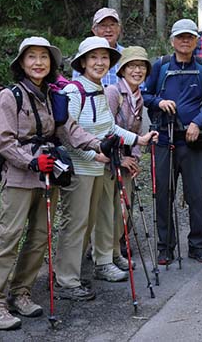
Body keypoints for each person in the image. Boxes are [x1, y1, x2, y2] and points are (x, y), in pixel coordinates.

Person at [0, 37, 105, 331]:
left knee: (39, 237)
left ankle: (20, 293)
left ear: (51, 63)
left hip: (48, 176)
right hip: (20, 178)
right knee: (9, 237)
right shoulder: (10, 97)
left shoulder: (52, 96)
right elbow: (5, 142)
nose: (38, 62)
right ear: (21, 63)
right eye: (32, 57)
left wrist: (99, 144)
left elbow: (69, 130)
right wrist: (31, 162)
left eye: (44, 57)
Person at [55, 37, 156, 300]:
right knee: (75, 224)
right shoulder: (74, 91)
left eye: (104, 58)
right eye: (93, 57)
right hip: (80, 168)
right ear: (83, 62)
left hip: (97, 167)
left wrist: (138, 140)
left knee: (88, 222)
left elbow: (110, 127)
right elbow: (66, 132)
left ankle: (74, 275)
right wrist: (93, 153)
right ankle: (66, 280)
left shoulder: (98, 89)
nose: (99, 63)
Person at [143, 18, 202, 264]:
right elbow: (145, 94)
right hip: (164, 139)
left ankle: (198, 245)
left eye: (190, 37)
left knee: (197, 195)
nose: (185, 41)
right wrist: (159, 102)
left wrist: (197, 122)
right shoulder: (161, 65)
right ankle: (165, 247)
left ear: (196, 40)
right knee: (163, 195)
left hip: (194, 142)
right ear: (172, 40)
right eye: (180, 37)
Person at [104, 46, 151, 270]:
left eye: (141, 66)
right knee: (109, 210)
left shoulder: (138, 97)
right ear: (122, 70)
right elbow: (106, 129)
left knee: (123, 209)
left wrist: (135, 158)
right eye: (132, 66)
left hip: (127, 160)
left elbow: (138, 131)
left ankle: (115, 253)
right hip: (109, 160)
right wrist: (119, 159)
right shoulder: (113, 93)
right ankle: (104, 256)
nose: (137, 71)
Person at [72, 7, 124, 86]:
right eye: (103, 25)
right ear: (94, 30)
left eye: (112, 25)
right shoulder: (84, 56)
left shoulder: (127, 55)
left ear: (119, 29)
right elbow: (77, 86)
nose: (108, 30)